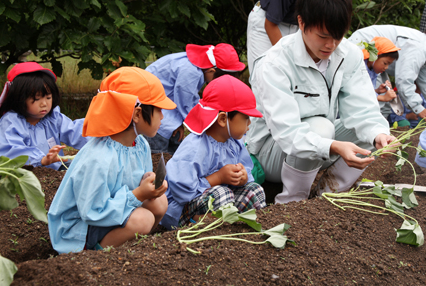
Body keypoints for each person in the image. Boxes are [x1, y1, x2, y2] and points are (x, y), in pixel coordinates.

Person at [246, 0, 395, 204]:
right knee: (321, 128)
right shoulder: (274, 63)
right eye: (323, 36)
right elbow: (287, 132)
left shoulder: (348, 54)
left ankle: (327, 197)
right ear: (301, 22)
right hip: (272, 151)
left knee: (369, 132)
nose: (331, 45)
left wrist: (379, 134)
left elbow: (363, 109)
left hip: (318, 146)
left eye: (338, 36)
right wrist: (333, 146)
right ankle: (293, 203)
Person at [48, 67, 177, 254]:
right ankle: (97, 256)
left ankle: (139, 244)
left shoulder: (140, 144)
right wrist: (139, 195)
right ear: (137, 114)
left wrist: (149, 184)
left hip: (115, 210)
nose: (163, 117)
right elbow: (91, 211)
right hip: (80, 229)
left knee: (160, 202)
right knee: (142, 219)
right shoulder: (99, 158)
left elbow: (138, 182)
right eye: (158, 110)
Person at [161, 75, 266, 229]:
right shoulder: (195, 146)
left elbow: (247, 172)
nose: (249, 123)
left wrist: (243, 177)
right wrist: (218, 177)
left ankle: (243, 229)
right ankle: (211, 233)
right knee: (221, 194)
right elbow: (181, 191)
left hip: (223, 203)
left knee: (254, 191)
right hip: (183, 212)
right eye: (245, 117)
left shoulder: (235, 143)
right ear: (223, 119)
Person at [246, 0, 359, 74]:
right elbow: (270, 24)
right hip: (267, 22)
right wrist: (287, 59)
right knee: (264, 72)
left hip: (298, 26)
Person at [348, 25, 426, 120]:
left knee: (383, 107)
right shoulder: (419, 48)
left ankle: (377, 139)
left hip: (379, 60)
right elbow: (404, 80)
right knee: (370, 103)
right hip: (364, 48)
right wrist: (418, 108)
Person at [145, 43, 245, 155]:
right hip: (154, 115)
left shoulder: (196, 65)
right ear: (211, 71)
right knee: (158, 159)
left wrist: (179, 123)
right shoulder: (191, 72)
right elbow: (186, 104)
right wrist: (208, 126)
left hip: (165, 109)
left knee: (175, 152)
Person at [0, 62, 89, 170]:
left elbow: (74, 131)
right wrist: (41, 160)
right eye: (36, 99)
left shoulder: (53, 117)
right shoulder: (11, 123)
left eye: (48, 98)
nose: (44, 104)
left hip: (55, 168)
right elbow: (12, 151)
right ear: (19, 98)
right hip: (22, 174)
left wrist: (99, 132)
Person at [360, 36, 400, 120]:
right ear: (373, 57)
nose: (386, 68)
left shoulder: (373, 71)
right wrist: (382, 97)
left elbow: (366, 92)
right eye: (385, 63)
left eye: (388, 64)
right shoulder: (360, 68)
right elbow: (358, 93)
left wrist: (377, 91)